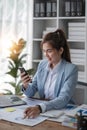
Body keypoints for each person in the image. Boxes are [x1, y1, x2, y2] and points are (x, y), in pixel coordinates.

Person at [21, 29, 78, 118]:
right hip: (45, 111)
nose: (46, 55)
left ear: (60, 50)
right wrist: (26, 85)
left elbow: (63, 99)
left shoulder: (71, 69)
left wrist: (40, 108)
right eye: (44, 51)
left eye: (49, 51)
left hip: (62, 112)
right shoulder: (42, 65)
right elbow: (31, 92)